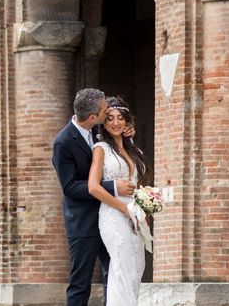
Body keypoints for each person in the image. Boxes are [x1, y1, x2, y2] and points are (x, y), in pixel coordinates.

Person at [52, 88, 136, 306]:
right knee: (81, 283)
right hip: (83, 221)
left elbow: (115, 133)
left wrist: (128, 133)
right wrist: (112, 187)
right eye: (104, 110)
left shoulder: (97, 130)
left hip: (109, 218)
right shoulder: (63, 142)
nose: (107, 111)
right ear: (92, 116)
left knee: (114, 275)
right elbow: (70, 187)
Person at [88, 96, 150, 305]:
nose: (115, 123)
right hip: (113, 214)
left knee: (136, 267)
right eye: (110, 118)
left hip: (135, 215)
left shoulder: (134, 150)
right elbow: (93, 187)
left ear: (127, 121)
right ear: (103, 123)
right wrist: (123, 208)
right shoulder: (100, 149)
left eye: (120, 118)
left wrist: (146, 207)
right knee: (121, 268)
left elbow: (140, 185)